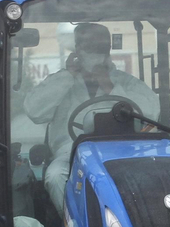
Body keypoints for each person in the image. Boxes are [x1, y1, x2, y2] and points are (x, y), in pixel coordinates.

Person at [24, 22, 158, 216]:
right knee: (54, 176)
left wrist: (109, 85)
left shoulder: (125, 82)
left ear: (109, 49)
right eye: (89, 47)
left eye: (100, 47)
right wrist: (69, 74)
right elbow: (34, 110)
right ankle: (75, 224)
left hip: (122, 150)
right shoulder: (60, 81)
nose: (95, 52)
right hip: (70, 153)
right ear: (78, 48)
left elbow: (152, 113)